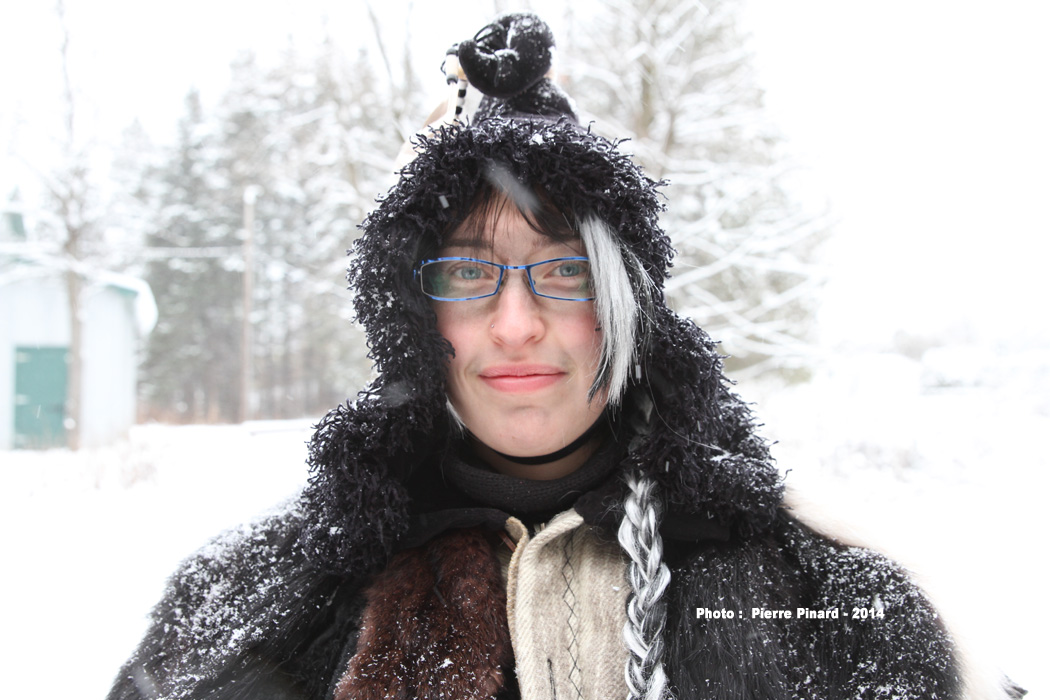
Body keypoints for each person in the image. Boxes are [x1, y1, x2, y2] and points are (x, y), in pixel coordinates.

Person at [109, 13, 1023, 700]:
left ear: (629, 308)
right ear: (413, 315)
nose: (515, 325)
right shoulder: (255, 601)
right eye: (468, 273)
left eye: (568, 272)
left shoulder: (822, 598)